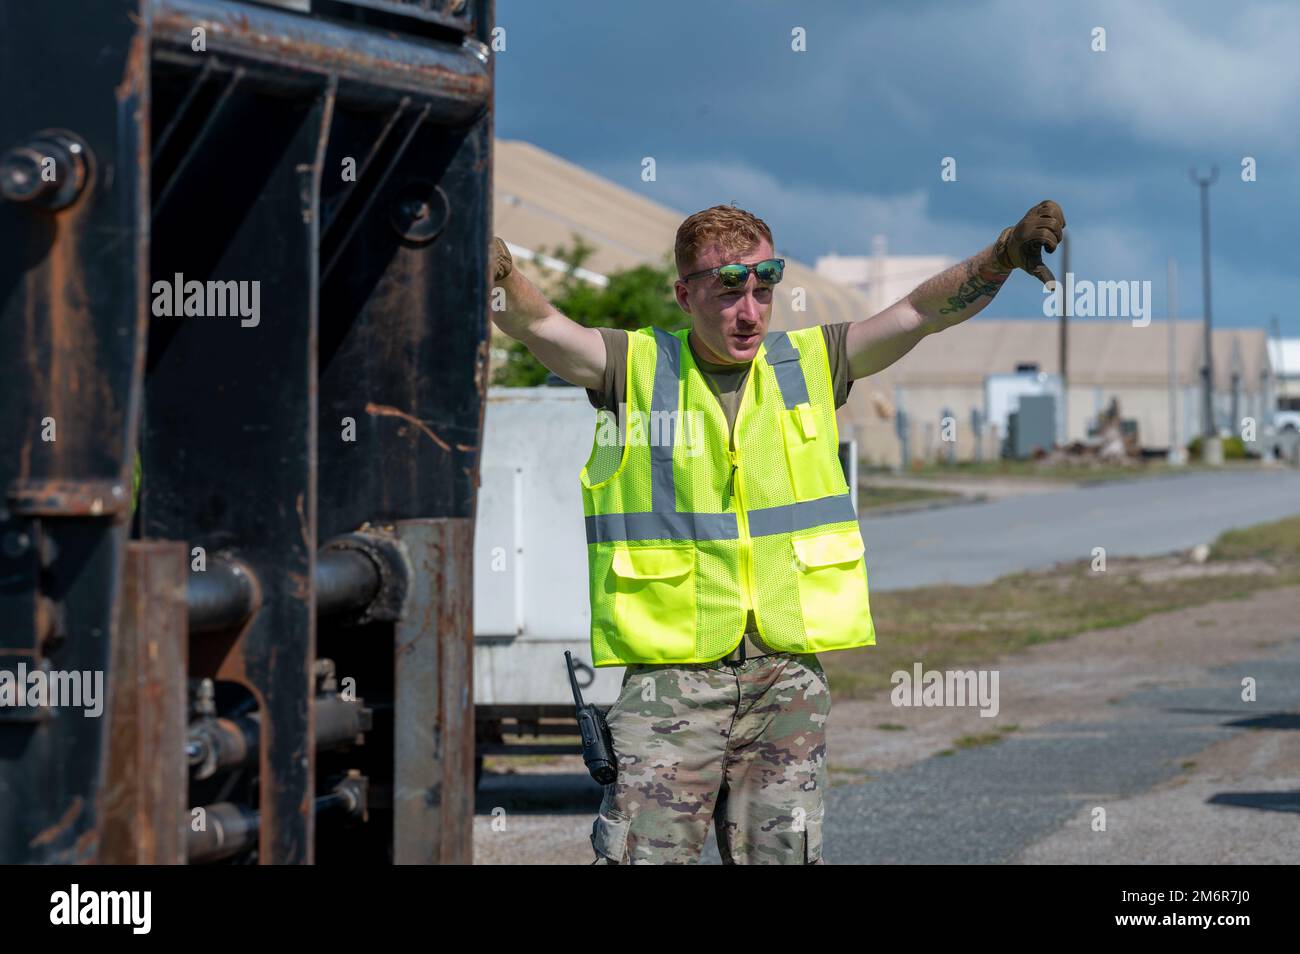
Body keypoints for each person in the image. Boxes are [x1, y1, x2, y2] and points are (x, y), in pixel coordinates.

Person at [489, 200, 1066, 864]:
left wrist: (998, 259)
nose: (750, 308)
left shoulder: (809, 363)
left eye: (764, 286)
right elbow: (540, 325)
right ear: (684, 293)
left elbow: (916, 314)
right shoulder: (635, 368)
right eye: (728, 287)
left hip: (784, 682)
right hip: (672, 685)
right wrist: (500, 272)